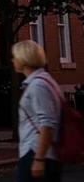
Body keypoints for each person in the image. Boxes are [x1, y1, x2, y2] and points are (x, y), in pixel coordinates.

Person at [14, 40, 63, 182]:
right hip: (45, 153)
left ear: (24, 59)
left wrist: (38, 159)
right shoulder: (46, 81)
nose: (13, 60)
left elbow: (47, 123)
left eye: (15, 57)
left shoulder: (37, 85)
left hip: (36, 151)